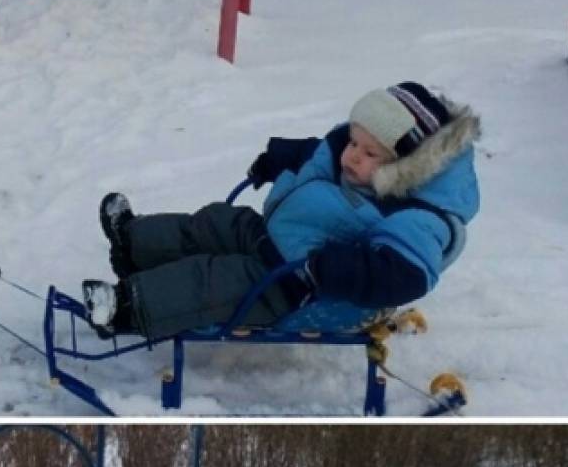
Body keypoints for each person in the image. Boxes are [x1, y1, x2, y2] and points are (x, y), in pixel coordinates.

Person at [82, 81, 481, 340]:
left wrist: (338, 269)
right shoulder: (352, 162)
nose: (351, 157)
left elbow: (407, 273)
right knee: (216, 223)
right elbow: (316, 155)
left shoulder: (420, 216)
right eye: (352, 142)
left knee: (213, 281)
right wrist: (280, 158)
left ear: (402, 165)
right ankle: (132, 243)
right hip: (274, 236)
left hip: (298, 286)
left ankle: (125, 307)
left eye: (369, 152)